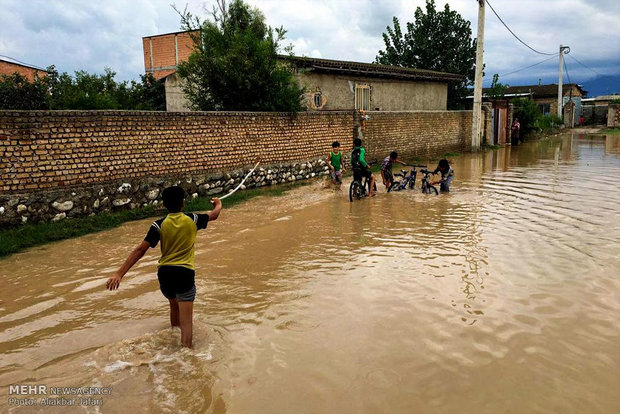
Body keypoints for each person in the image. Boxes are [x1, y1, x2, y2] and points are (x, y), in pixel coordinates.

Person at [106, 186, 222, 348]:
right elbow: (214, 215)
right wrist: (218, 203)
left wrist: (119, 274)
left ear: (165, 204)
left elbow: (140, 250)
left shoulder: (158, 225)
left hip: (165, 274)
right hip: (184, 272)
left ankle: (173, 339)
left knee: (174, 306)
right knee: (187, 323)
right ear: (182, 204)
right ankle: (185, 355)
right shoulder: (192, 219)